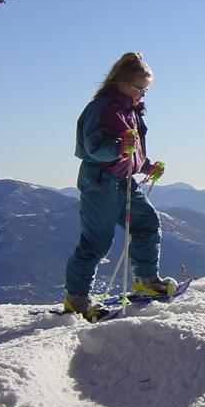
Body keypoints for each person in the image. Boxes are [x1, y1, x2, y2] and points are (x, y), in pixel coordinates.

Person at [64, 52, 172, 321]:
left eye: (145, 90)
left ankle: (146, 279)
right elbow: (92, 148)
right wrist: (118, 148)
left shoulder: (129, 110)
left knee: (147, 223)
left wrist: (146, 167)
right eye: (138, 88)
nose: (142, 95)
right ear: (120, 82)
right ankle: (76, 299)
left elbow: (130, 150)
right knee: (95, 243)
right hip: (100, 182)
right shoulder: (102, 108)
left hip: (123, 180)